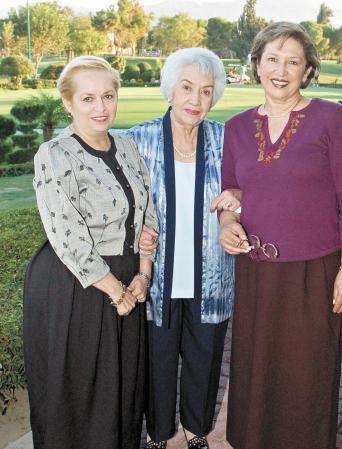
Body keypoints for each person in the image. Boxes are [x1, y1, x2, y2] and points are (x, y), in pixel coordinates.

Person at [219, 22, 342, 449]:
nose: (280, 70)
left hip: (313, 272)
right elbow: (231, 195)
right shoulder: (236, 127)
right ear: (256, 65)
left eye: (292, 62)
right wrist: (228, 227)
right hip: (256, 272)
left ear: (307, 71)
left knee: (308, 373)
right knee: (256, 369)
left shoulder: (330, 119)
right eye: (272, 59)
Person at [23, 56, 158, 449]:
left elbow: (148, 217)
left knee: (122, 388)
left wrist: (143, 275)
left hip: (130, 284)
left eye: (108, 96)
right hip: (77, 285)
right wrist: (116, 291)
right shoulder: (55, 153)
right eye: (87, 99)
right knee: (81, 393)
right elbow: (66, 232)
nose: (100, 108)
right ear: (68, 103)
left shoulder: (129, 147)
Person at [127, 48, 239, 449]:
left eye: (206, 91)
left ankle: (196, 431)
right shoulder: (136, 141)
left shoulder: (228, 141)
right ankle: (158, 435)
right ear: (170, 90)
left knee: (204, 359)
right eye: (187, 88)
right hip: (157, 277)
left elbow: (249, 191)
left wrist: (236, 209)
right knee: (156, 362)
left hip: (211, 275)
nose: (195, 100)